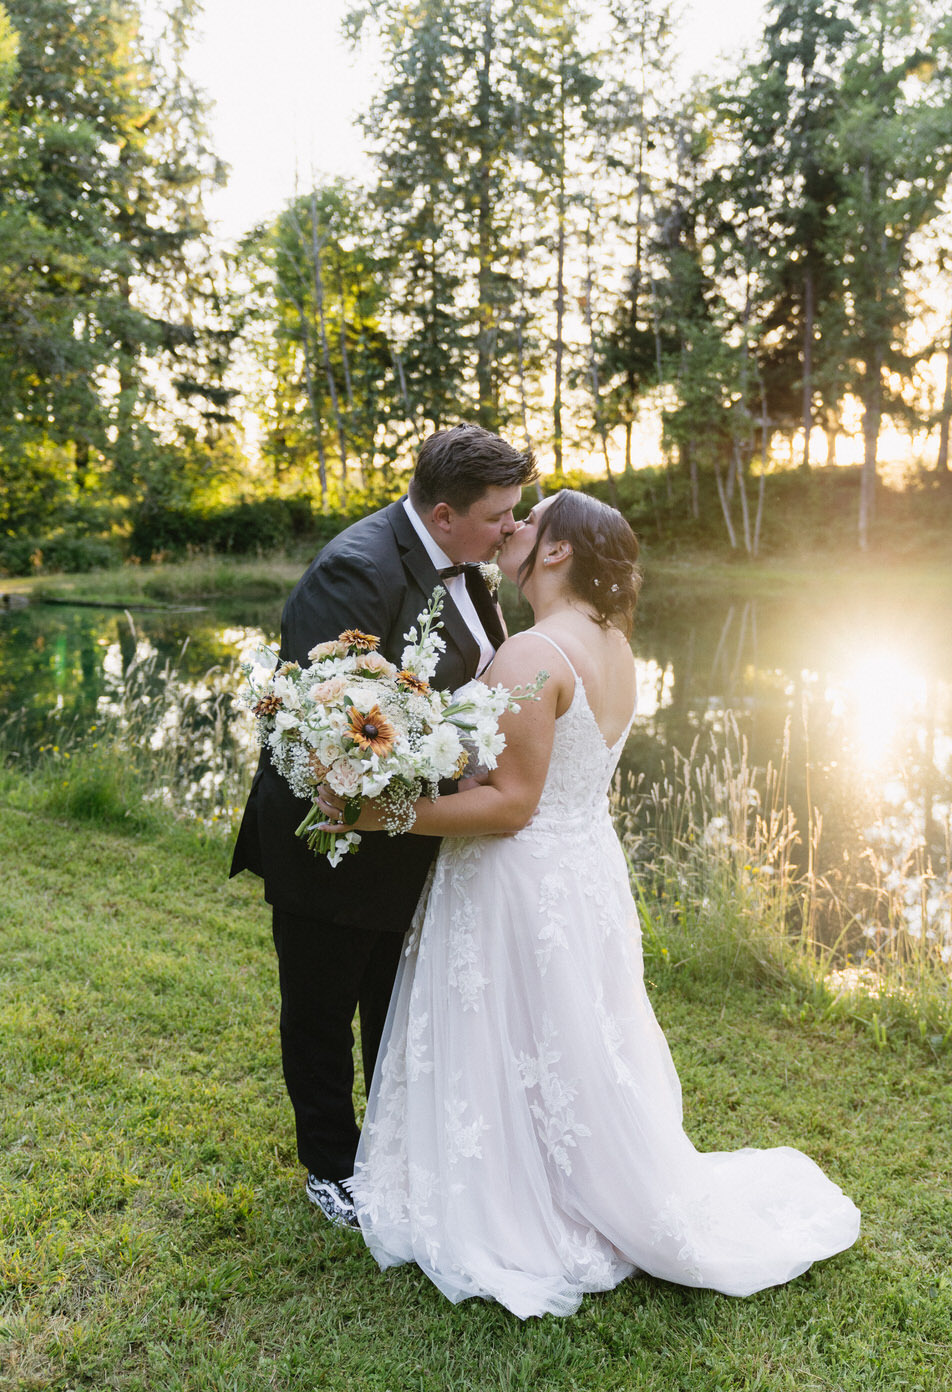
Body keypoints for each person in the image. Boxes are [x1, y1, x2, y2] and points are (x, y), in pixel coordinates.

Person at [320, 488, 861, 1317]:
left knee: (527, 1034)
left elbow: (509, 806)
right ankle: (575, 1171)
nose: (512, 529)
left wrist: (380, 810)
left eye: (528, 522)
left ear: (561, 551)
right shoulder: (613, 645)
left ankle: (525, 1199)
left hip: (519, 874)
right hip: (582, 869)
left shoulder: (530, 654)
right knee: (570, 1035)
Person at [230, 422, 536, 1227]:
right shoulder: (355, 571)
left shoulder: (470, 566)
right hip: (334, 843)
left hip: (418, 833)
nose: (512, 527)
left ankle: (394, 1150)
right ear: (443, 514)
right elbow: (318, 727)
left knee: (397, 1005)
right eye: (500, 513)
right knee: (324, 1008)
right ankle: (330, 1167)